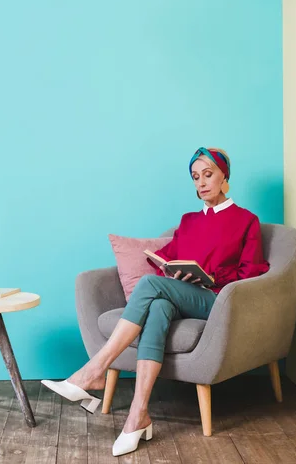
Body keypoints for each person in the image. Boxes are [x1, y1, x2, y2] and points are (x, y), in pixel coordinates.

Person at [42, 147, 269, 456]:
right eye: (195, 177)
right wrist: (167, 267)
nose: (201, 183)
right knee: (159, 306)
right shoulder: (189, 221)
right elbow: (169, 256)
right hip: (182, 294)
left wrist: (212, 278)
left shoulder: (246, 221)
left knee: (151, 286)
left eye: (208, 174)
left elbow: (250, 272)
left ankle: (93, 370)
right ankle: (139, 415)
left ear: (224, 176)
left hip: (216, 299)